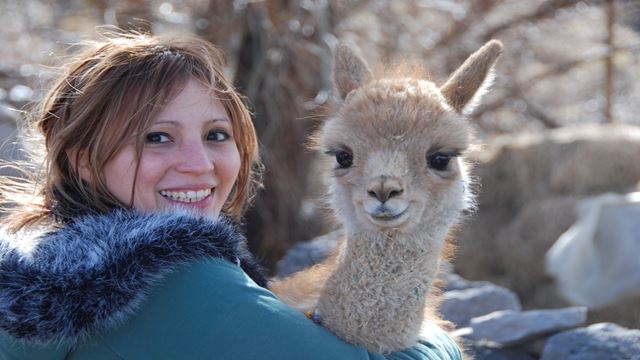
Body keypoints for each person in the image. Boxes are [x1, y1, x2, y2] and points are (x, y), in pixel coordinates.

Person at [0, 32, 463, 360]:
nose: (199, 164)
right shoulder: (167, 279)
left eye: (217, 135)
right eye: (157, 138)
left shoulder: (41, 250)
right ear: (83, 160)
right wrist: (433, 338)